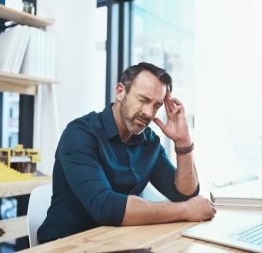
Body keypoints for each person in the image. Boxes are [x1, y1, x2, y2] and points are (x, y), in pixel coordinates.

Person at [37, 62, 216, 243]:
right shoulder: (80, 133)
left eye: (156, 105)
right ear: (120, 92)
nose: (148, 112)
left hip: (117, 241)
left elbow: (185, 194)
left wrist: (183, 143)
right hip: (66, 244)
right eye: (143, 100)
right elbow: (105, 207)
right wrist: (185, 210)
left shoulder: (149, 141)